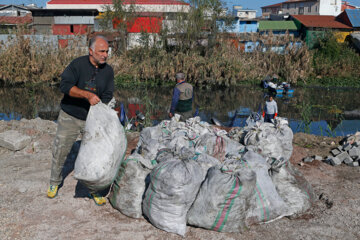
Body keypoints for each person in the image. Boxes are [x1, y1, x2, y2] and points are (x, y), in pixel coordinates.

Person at [47, 35, 114, 206]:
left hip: (91, 119)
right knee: (61, 150)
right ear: (91, 51)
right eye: (101, 51)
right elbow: (64, 86)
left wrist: (102, 110)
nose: (105, 55)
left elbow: (107, 95)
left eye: (107, 51)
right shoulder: (77, 65)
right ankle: (54, 183)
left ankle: (94, 190)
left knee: (94, 155)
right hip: (69, 116)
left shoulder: (108, 71)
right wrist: (87, 95)